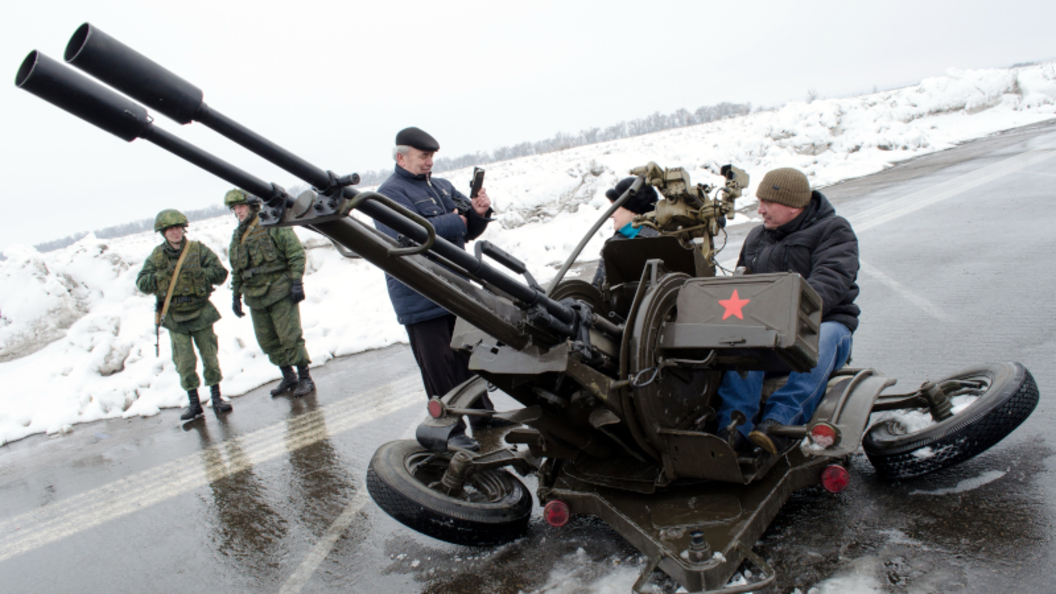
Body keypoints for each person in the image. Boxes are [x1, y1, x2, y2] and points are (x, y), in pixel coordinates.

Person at [714, 167, 859, 455]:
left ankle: (779, 424)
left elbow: (831, 280)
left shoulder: (833, 230)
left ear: (794, 205)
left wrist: (787, 311)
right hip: (768, 328)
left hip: (822, 323)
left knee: (822, 337)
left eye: (767, 203)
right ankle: (733, 429)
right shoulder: (757, 237)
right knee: (737, 340)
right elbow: (743, 287)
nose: (760, 211)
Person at [375, 127, 503, 451]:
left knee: (468, 355)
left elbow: (467, 229)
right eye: (423, 156)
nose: (429, 162)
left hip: (455, 288)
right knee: (438, 365)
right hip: (420, 294)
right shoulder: (389, 194)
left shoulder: (442, 187)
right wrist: (456, 221)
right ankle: (448, 429)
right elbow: (413, 234)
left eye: (431, 156)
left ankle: (481, 415)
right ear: (401, 157)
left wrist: (477, 213)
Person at [136, 209, 232, 420]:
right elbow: (142, 283)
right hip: (175, 318)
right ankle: (194, 403)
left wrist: (198, 275)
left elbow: (220, 274)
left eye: (178, 228)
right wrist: (161, 278)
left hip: (201, 313)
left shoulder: (198, 250)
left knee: (210, 357)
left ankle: (216, 398)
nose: (176, 232)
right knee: (185, 362)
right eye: (170, 229)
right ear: (163, 232)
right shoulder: (157, 256)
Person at [225, 189, 315, 398]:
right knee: (268, 340)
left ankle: (305, 378)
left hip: (280, 291)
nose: (238, 211)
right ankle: (288, 376)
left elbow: (295, 253)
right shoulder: (237, 236)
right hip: (255, 296)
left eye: (241, 206)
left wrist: (296, 282)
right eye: (234, 208)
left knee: (290, 337)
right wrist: (236, 296)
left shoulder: (271, 223)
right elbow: (237, 268)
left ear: (252, 205)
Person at [591, 177, 661, 288]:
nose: (611, 214)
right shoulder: (614, 244)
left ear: (634, 211)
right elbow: (596, 289)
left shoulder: (659, 241)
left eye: (616, 207)